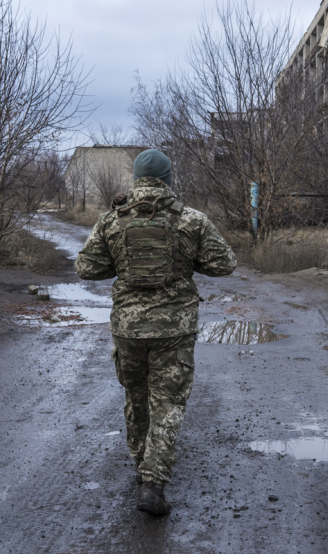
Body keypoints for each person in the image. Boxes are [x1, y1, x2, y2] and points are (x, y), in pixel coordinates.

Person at [75, 149, 237, 515]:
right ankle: (153, 481)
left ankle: (142, 465)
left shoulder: (112, 220)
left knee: (135, 396)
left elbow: (86, 267)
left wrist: (121, 265)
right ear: (168, 180)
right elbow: (225, 263)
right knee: (168, 402)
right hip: (174, 328)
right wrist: (188, 260)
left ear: (136, 181)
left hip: (128, 328)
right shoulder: (192, 219)